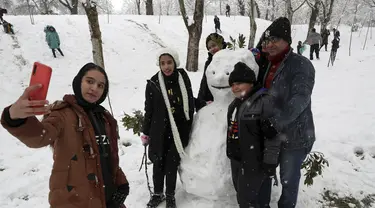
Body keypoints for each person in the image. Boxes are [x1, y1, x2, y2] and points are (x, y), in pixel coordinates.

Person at [1, 63, 129, 208]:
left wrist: (121, 181)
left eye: (100, 85)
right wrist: (14, 117)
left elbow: (108, 156)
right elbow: (40, 137)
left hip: (108, 199)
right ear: (78, 81)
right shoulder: (62, 114)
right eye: (90, 81)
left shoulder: (104, 118)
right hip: (75, 201)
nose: (95, 88)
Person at [255, 17, 316, 208]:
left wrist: (276, 122)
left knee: (288, 180)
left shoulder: (301, 65)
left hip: (294, 136)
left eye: (275, 40)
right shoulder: (266, 63)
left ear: (287, 41)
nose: (270, 45)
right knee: (264, 174)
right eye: (267, 41)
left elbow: (300, 98)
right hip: (269, 134)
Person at [141, 48, 195, 208]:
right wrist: (145, 131)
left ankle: (170, 195)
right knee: (158, 163)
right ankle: (158, 193)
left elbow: (189, 101)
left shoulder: (182, 78)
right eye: (162, 63)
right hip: (158, 130)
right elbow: (148, 108)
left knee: (172, 163)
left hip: (178, 130)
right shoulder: (153, 83)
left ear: (175, 62)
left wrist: (190, 123)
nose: (166, 66)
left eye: (169, 62)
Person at [227, 62, 281, 208]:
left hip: (254, 162)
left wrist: (270, 161)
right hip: (237, 159)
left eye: (239, 83)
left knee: (247, 201)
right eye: (232, 84)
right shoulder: (235, 104)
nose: (235, 88)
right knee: (245, 195)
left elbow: (273, 136)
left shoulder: (263, 102)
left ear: (251, 83)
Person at [196, 33, 227, 111]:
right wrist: (201, 100)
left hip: (225, 100)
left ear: (221, 44)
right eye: (209, 47)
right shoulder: (209, 62)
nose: (212, 49)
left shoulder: (229, 59)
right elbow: (204, 82)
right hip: (210, 101)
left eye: (214, 45)